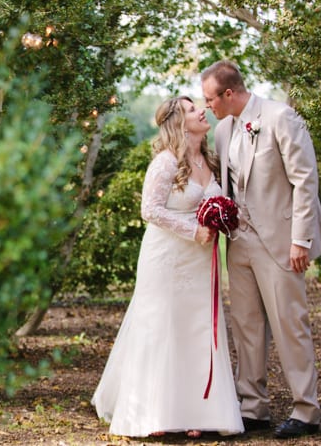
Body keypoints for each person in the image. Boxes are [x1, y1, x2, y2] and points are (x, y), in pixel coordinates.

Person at [92, 96, 244, 439]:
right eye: (193, 109)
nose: (201, 111)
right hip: (168, 257)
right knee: (163, 327)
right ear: (178, 121)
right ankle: (155, 412)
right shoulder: (164, 163)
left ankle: (197, 412)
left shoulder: (211, 160)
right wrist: (194, 230)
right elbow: (151, 210)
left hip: (202, 259)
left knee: (198, 329)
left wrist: (219, 221)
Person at [201, 60, 321, 439]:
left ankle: (306, 410)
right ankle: (253, 407)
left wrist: (301, 240)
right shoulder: (224, 130)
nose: (207, 105)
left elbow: (305, 181)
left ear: (229, 93)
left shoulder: (280, 117)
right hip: (238, 242)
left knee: (290, 325)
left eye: (210, 99)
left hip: (281, 240)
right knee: (246, 326)